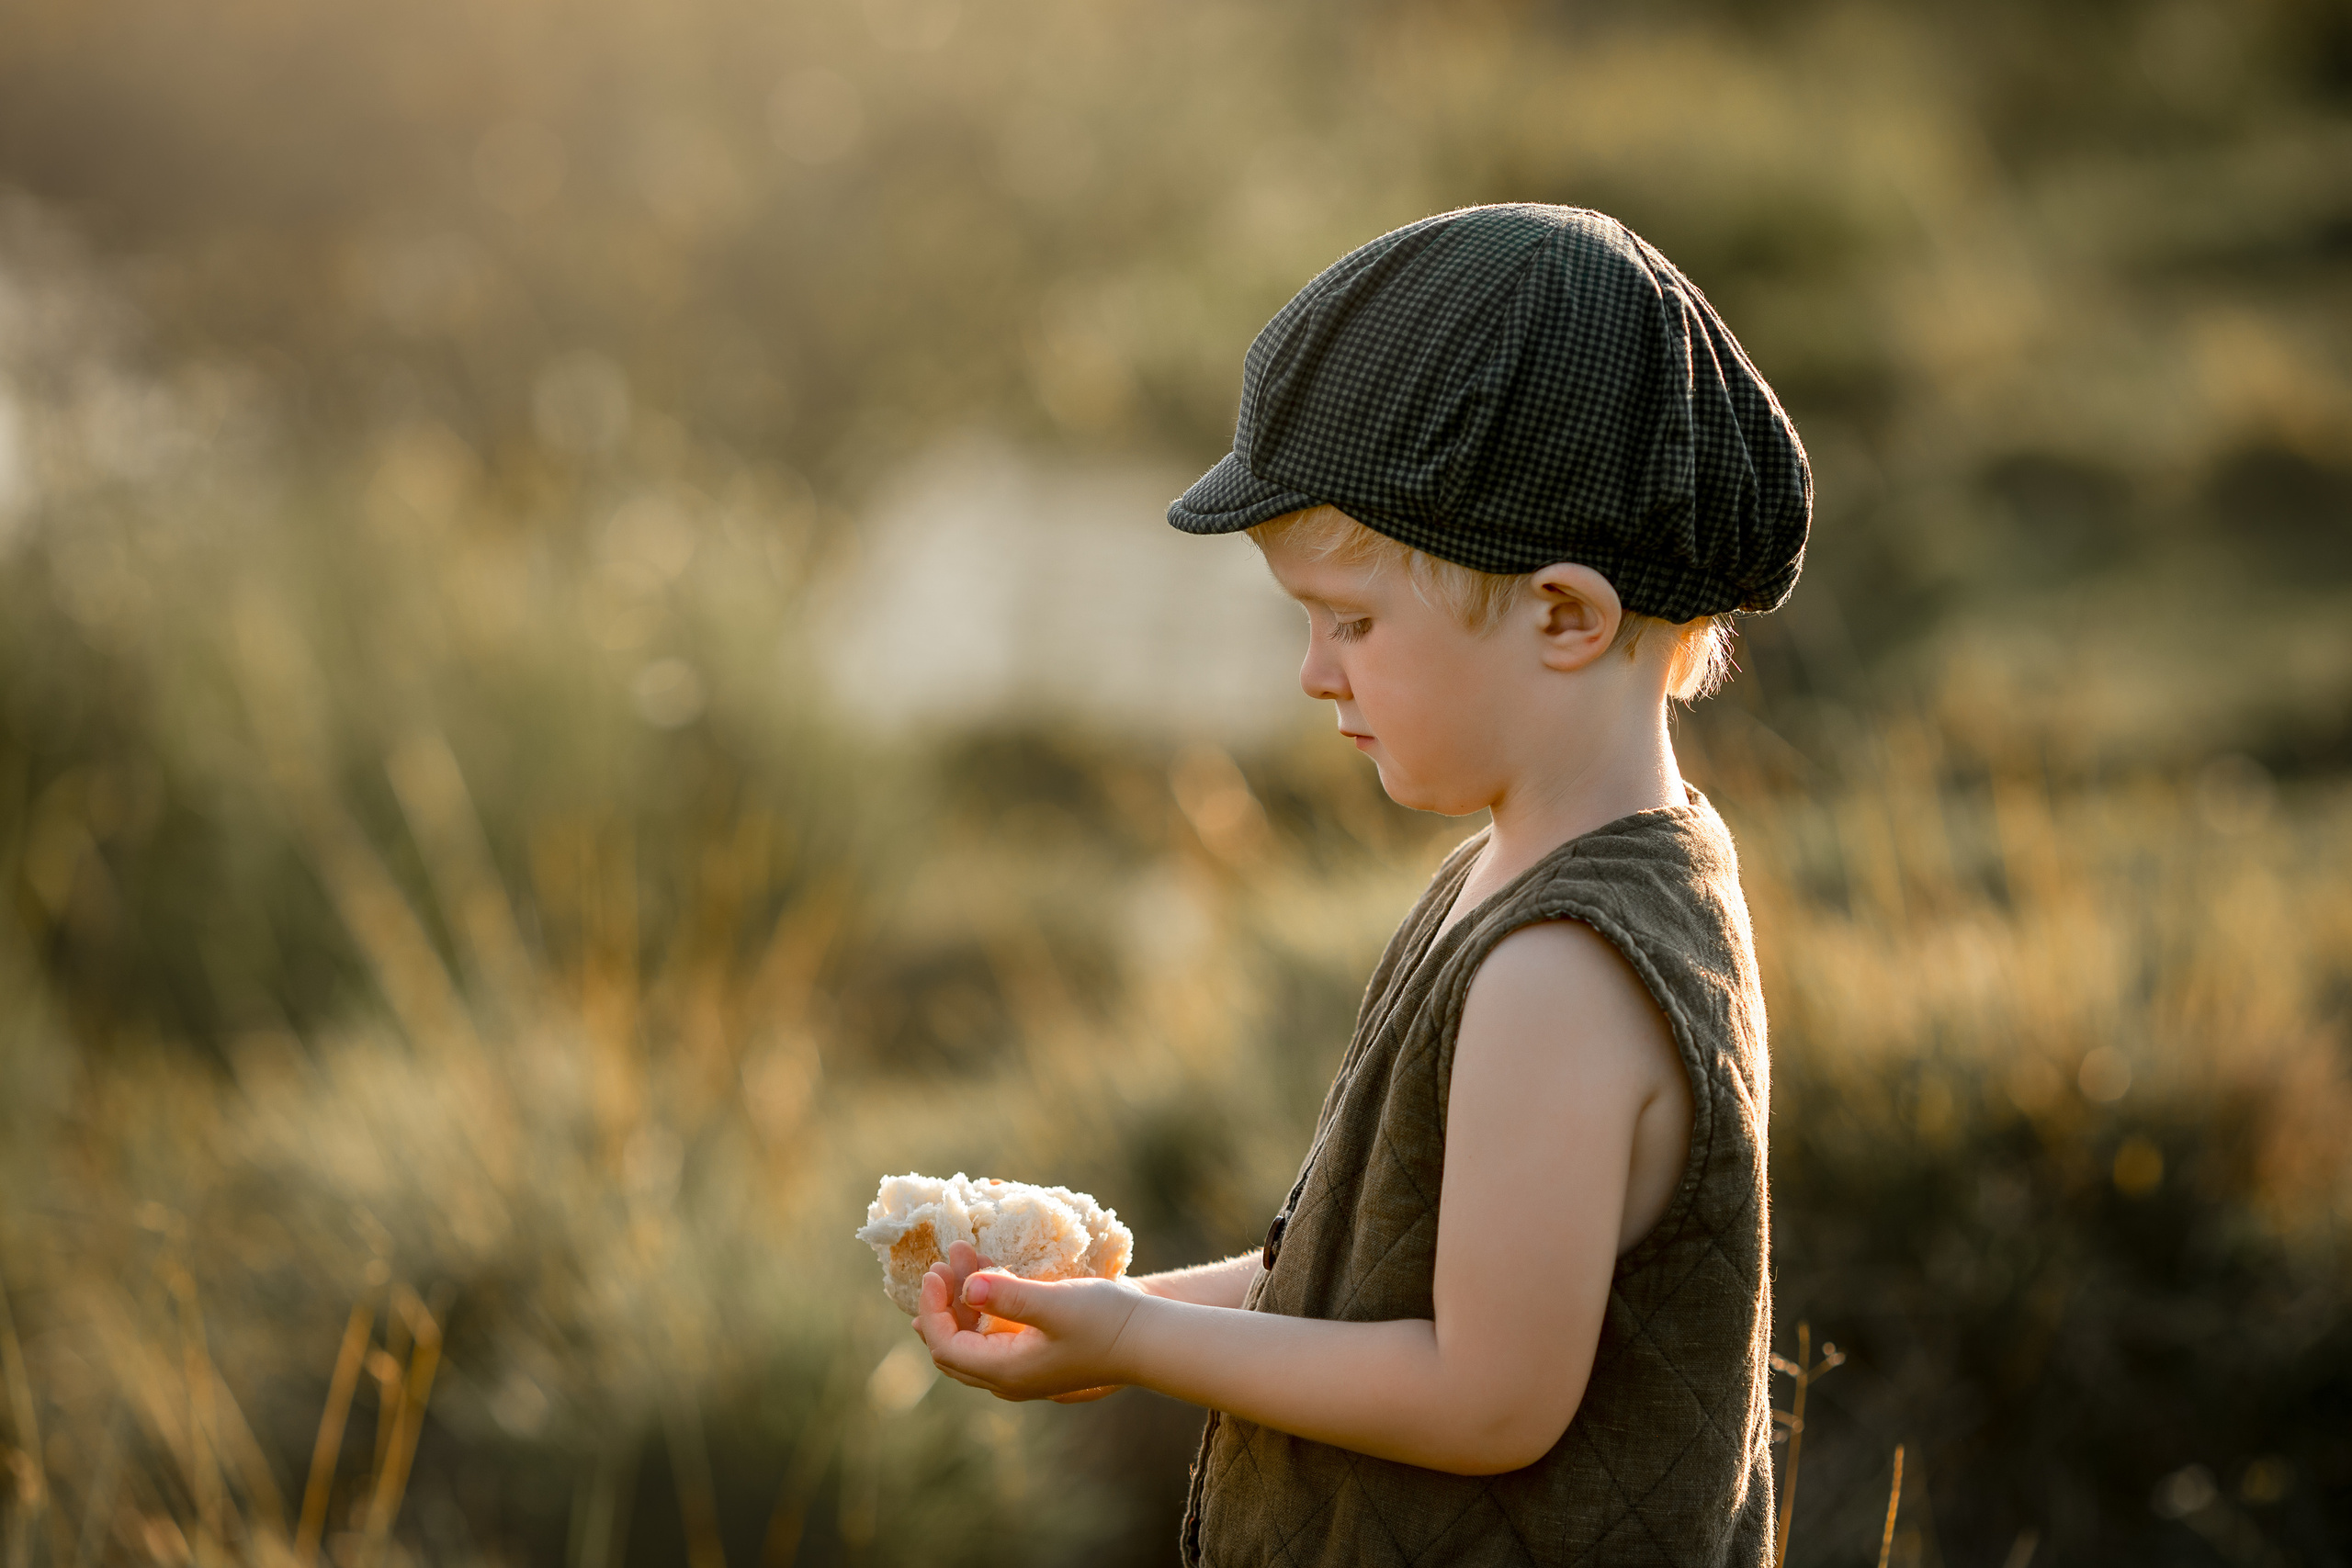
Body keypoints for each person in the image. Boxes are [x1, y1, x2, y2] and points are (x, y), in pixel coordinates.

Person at [912, 203, 1811, 1566]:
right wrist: (1118, 1316)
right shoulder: (1521, 871)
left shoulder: (1562, 969)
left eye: (1353, 621)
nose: (1315, 672)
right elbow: (1367, 1277)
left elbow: (1490, 1395)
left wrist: (1148, 1342)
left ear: (1565, 614)